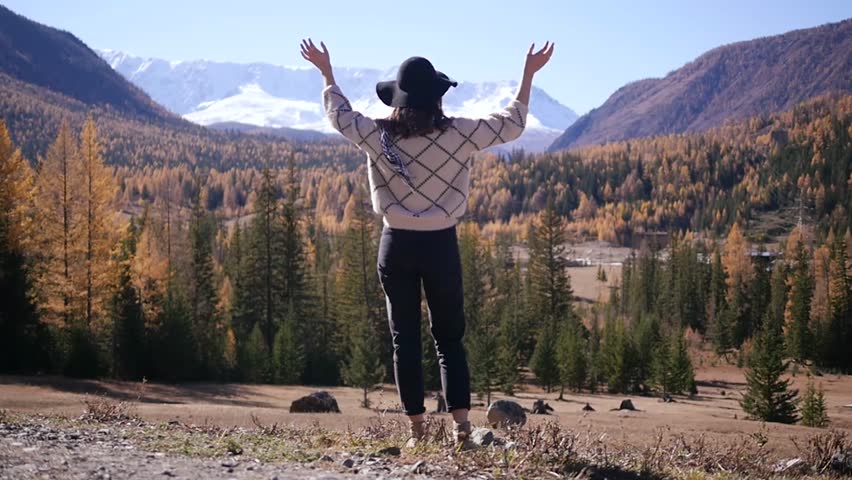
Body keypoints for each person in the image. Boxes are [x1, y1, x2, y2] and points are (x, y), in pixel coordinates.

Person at [300, 38, 554, 447]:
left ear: (397, 100)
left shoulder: (378, 136)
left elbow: (339, 115)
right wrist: (528, 75)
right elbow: (512, 123)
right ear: (437, 97)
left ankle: (418, 431)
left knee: (404, 338)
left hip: (396, 244)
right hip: (440, 245)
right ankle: (461, 430)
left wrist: (327, 72)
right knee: (449, 338)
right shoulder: (460, 134)